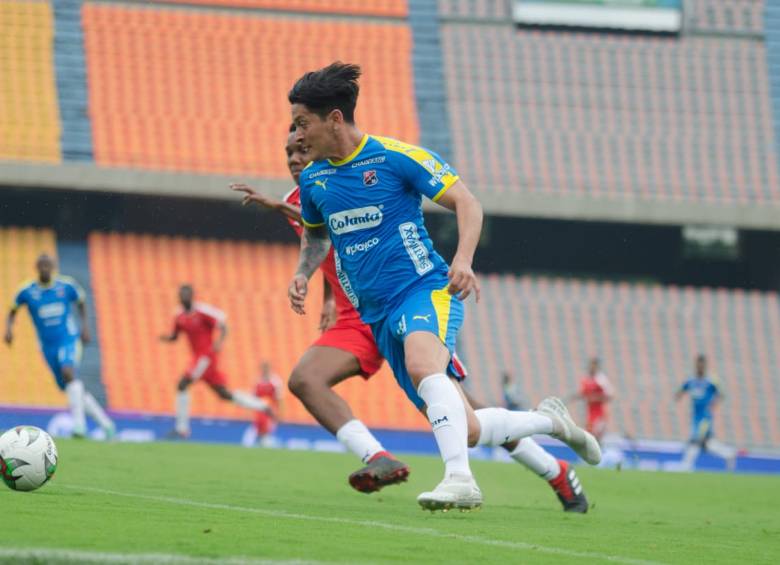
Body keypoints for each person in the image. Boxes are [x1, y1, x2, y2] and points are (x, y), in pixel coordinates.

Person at [286, 62, 600, 510]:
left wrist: (464, 260)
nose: (298, 137)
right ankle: (550, 423)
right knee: (466, 428)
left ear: (334, 118)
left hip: (424, 289)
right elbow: (317, 235)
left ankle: (460, 480)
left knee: (422, 364)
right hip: (377, 316)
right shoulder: (315, 179)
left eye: (303, 124)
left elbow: (467, 202)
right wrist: (303, 271)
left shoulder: (396, 157)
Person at [4, 254, 115, 438]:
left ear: (53, 267)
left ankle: (79, 427)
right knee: (69, 387)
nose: (45, 269)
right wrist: (8, 329)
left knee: (68, 372)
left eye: (48, 265)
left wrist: (85, 327)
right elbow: (12, 309)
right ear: (37, 267)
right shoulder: (27, 291)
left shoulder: (66, 286)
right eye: (42, 265)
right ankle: (107, 425)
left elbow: (81, 300)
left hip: (68, 339)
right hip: (47, 346)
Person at [159, 284, 271, 438]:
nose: (183, 297)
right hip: (200, 360)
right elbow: (175, 335)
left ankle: (181, 429)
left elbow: (223, 323)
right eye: (181, 295)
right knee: (223, 394)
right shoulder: (179, 317)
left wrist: (219, 342)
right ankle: (262, 406)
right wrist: (166, 338)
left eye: (186, 294)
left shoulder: (202, 312)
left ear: (192, 296)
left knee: (182, 384)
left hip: (206, 357)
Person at [676, 354, 737, 471]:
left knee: (695, 440)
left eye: (702, 365)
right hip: (695, 418)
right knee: (707, 444)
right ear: (696, 366)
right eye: (698, 365)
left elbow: (722, 393)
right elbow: (681, 390)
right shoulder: (691, 381)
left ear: (705, 366)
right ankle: (729, 454)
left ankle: (686, 465)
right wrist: (678, 395)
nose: (700, 367)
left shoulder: (711, 381)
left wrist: (714, 404)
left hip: (705, 418)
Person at [573, 357, 613, 441]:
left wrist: (595, 398)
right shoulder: (586, 379)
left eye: (594, 366)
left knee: (595, 437)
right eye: (591, 365)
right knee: (589, 436)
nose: (591, 367)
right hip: (590, 413)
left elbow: (610, 395)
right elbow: (583, 393)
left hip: (600, 414)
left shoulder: (601, 379)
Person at [252, 361, 284, 446]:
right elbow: (253, 398)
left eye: (266, 368)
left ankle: (266, 444)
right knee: (259, 432)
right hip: (259, 411)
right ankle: (261, 444)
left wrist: (280, 413)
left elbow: (279, 399)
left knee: (267, 431)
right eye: (263, 368)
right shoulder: (257, 381)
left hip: (270, 411)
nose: (264, 370)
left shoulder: (275, 381)